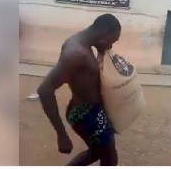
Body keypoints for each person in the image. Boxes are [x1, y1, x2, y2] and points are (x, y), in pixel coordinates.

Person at [37, 14, 121, 166]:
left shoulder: (82, 43)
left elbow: (86, 76)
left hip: (90, 110)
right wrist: (61, 135)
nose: (111, 46)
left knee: (97, 152)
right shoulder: (76, 53)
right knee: (110, 158)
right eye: (112, 41)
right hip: (86, 114)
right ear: (104, 31)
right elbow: (44, 90)